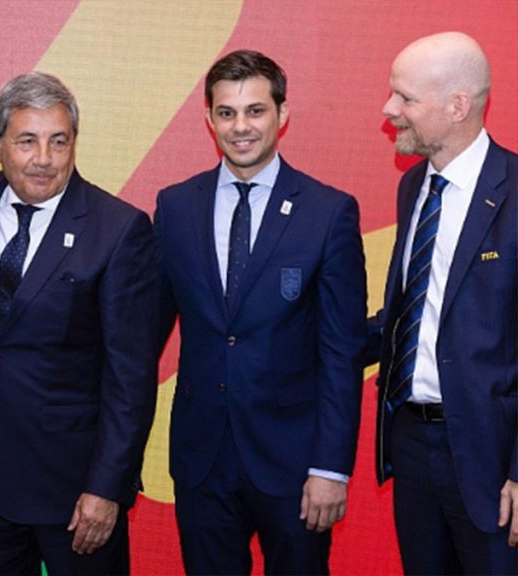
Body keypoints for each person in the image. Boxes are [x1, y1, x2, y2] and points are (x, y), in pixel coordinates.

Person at [154, 49, 367, 574]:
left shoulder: (329, 212)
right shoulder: (175, 207)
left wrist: (331, 469)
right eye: (226, 112)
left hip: (296, 466)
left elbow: (342, 354)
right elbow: (142, 334)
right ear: (208, 119)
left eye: (255, 110)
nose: (240, 127)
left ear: (282, 115)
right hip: (202, 460)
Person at [0, 71, 159, 575]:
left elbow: (131, 378)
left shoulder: (118, 230)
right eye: (27, 141)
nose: (44, 159)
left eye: (58, 142)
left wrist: (107, 488)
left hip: (75, 492)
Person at [372, 31, 518, 574]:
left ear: (458, 106)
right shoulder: (413, 188)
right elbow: (409, 314)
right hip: (411, 445)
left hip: (492, 460)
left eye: (405, 98)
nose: (389, 111)